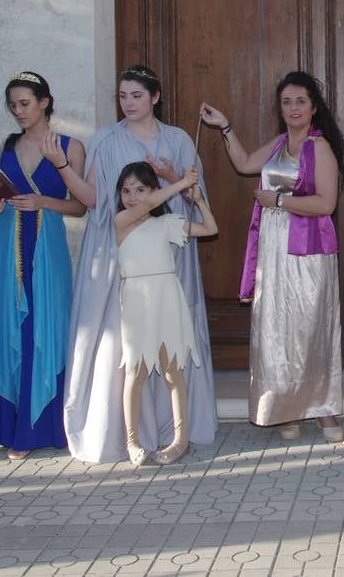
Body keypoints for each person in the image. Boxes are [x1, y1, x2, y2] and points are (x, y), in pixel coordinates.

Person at [60, 65, 218, 463]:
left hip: (168, 255)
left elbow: (195, 197)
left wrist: (170, 177)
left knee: (170, 354)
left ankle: (175, 431)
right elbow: (94, 199)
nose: (128, 103)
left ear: (155, 97)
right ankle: (127, 435)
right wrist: (61, 166)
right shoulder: (106, 139)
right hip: (122, 258)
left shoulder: (178, 138)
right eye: (122, 96)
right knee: (126, 351)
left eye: (136, 95)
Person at [198, 72, 344, 443]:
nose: (293, 108)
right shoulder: (280, 143)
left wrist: (278, 200)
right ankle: (287, 408)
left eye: (300, 101)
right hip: (275, 246)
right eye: (286, 102)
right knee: (278, 327)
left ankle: (324, 410)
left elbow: (326, 204)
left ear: (314, 107)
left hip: (308, 249)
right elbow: (246, 163)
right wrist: (225, 127)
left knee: (312, 327)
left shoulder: (320, 147)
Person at [0, 71, 86, 459]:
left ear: (44, 102)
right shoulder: (9, 144)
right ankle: (6, 426)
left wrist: (44, 203)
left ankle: (37, 429)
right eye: (13, 106)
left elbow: (81, 205)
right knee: (9, 324)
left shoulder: (70, 147)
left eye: (24, 103)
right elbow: (2, 192)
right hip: (6, 244)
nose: (18, 111)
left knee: (43, 326)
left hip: (47, 247)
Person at [114, 163, 218, 465]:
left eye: (140, 189)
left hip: (167, 298)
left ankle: (180, 439)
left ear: (153, 191)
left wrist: (197, 200)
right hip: (136, 301)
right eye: (126, 190)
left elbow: (211, 229)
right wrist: (182, 181)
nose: (132, 197)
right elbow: (147, 206)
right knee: (136, 371)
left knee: (173, 372)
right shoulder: (122, 221)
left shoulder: (167, 223)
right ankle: (132, 441)